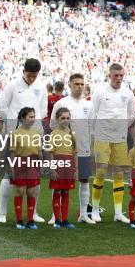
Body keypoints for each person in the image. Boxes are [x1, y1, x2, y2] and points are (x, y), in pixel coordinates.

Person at [0, 58, 47, 224]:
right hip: (15, 135)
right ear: (23, 71)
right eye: (29, 75)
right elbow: (2, 108)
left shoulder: (41, 87)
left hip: (34, 136)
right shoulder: (12, 85)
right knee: (8, 172)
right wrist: (13, 128)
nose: (32, 78)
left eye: (35, 75)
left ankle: (34, 213)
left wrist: (36, 131)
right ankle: (2, 212)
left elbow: (43, 110)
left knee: (35, 174)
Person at [91, 63, 135, 224]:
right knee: (101, 172)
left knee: (118, 174)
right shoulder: (100, 91)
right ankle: (95, 210)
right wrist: (100, 129)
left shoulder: (128, 94)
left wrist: (120, 128)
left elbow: (131, 115)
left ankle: (118, 212)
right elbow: (92, 112)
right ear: (109, 75)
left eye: (121, 75)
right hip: (102, 137)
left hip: (120, 139)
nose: (119, 78)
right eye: (116, 75)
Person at [50, 73, 95, 224]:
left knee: (84, 180)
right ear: (69, 85)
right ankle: (54, 216)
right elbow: (52, 125)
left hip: (83, 149)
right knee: (58, 183)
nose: (79, 87)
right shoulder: (61, 104)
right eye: (76, 84)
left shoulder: (89, 105)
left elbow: (92, 127)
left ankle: (83, 214)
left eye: (82, 84)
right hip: (63, 152)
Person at [10, 107, 42, 230]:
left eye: (34, 117)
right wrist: (12, 167)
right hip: (20, 163)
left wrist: (41, 164)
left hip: (33, 164)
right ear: (23, 118)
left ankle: (30, 220)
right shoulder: (16, 133)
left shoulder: (36, 133)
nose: (32, 119)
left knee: (31, 192)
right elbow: (12, 152)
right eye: (30, 117)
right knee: (20, 191)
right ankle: (19, 220)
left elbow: (39, 151)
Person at [47, 107, 76, 229]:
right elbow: (50, 153)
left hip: (69, 166)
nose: (65, 120)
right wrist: (52, 169)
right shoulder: (53, 134)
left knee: (66, 191)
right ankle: (57, 219)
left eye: (68, 118)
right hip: (58, 164)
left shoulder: (72, 134)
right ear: (57, 119)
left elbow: (74, 153)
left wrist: (76, 169)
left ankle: (65, 219)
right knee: (57, 191)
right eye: (63, 118)